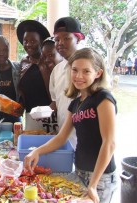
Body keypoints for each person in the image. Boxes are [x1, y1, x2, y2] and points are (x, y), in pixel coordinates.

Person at [24, 48, 117, 203]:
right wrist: (37, 152)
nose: (79, 76)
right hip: (80, 171)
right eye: (75, 70)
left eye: (86, 71)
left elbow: (110, 143)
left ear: (98, 73)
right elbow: (61, 137)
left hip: (101, 177)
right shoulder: (75, 103)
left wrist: (93, 185)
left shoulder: (103, 98)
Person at [49, 16, 85, 149]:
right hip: (63, 140)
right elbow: (56, 102)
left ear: (78, 38)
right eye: (57, 39)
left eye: (66, 38)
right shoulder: (57, 71)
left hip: (85, 141)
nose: (60, 43)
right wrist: (43, 112)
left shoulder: (89, 70)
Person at [17, 20, 52, 131]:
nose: (28, 44)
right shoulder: (24, 62)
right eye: (25, 41)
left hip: (50, 115)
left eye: (33, 41)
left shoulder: (49, 61)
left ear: (41, 41)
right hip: (30, 116)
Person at [38, 37, 63, 132]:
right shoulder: (54, 74)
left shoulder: (72, 72)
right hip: (61, 127)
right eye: (44, 57)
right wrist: (41, 113)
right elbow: (56, 102)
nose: (47, 60)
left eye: (51, 55)